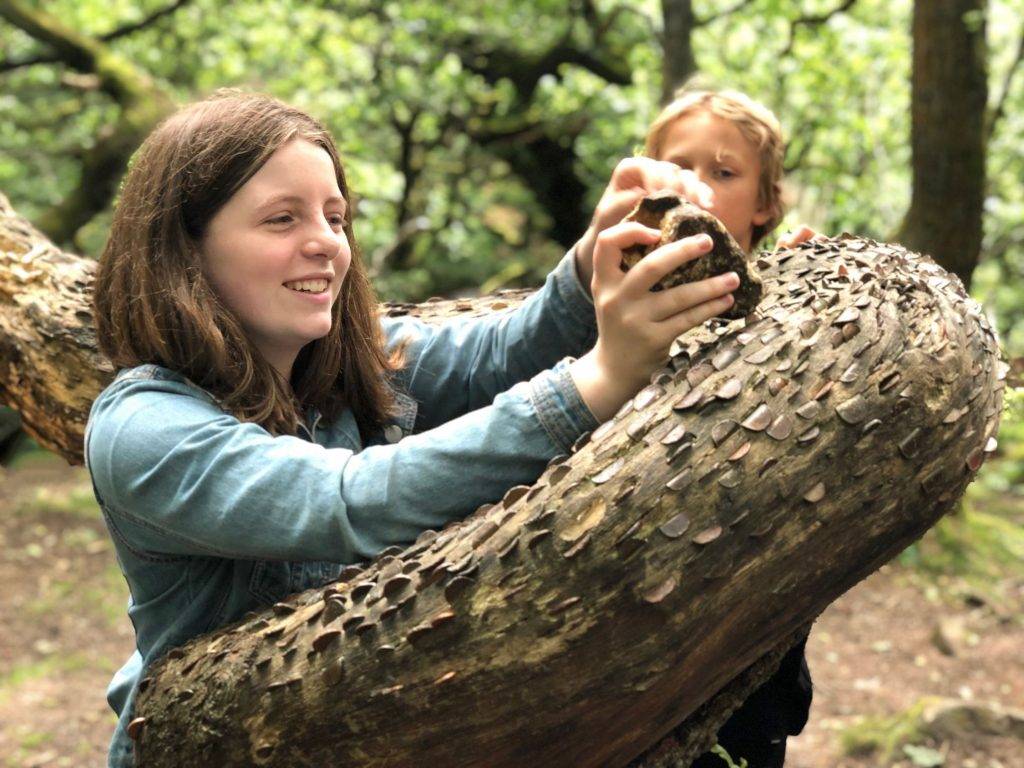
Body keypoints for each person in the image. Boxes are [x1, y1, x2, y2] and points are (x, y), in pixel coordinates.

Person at [85, 90, 740, 767]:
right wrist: (600, 379)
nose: (325, 243)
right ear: (184, 250)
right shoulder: (143, 428)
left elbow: (497, 356)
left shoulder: (344, 365)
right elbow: (347, 500)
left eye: (335, 217)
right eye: (282, 219)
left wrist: (594, 253)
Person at [644, 87, 819, 767]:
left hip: (750, 665)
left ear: (767, 202)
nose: (699, 187)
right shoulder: (611, 304)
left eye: (724, 172)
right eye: (680, 167)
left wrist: (812, 290)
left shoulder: (791, 298)